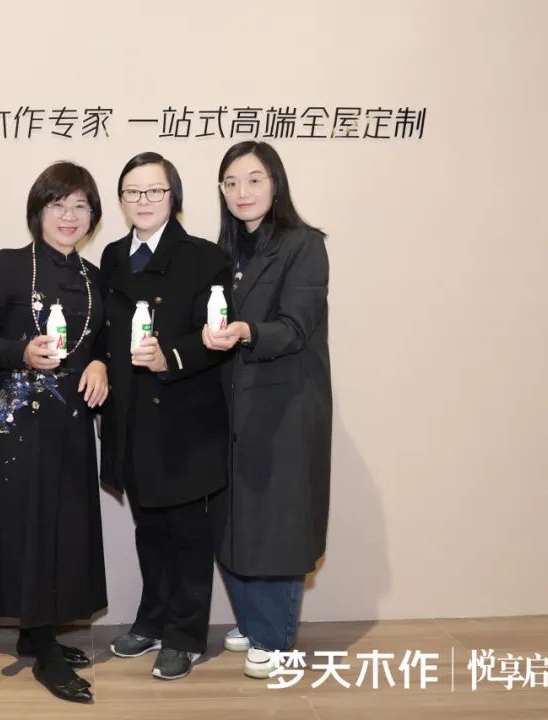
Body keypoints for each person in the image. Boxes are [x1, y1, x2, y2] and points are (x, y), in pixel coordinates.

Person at [0, 161, 109, 704]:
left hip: (72, 423)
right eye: (57, 204)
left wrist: (100, 364)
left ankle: (35, 632)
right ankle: (44, 650)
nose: (69, 216)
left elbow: (101, 342)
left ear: (93, 215)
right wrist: (20, 352)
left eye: (80, 206)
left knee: (64, 526)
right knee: (29, 527)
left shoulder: (94, 276)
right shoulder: (8, 264)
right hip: (19, 423)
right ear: (37, 211)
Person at [98, 152, 230, 681]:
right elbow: (104, 330)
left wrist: (169, 357)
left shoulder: (204, 258)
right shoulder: (112, 255)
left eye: (154, 190)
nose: (143, 201)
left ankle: (185, 635)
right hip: (129, 415)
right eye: (132, 192)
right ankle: (152, 620)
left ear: (174, 196)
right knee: (148, 529)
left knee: (188, 534)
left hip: (184, 418)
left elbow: (216, 337)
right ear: (121, 200)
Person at [202, 140, 332, 678]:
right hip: (231, 403)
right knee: (234, 516)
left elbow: (296, 326)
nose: (242, 192)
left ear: (275, 183)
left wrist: (247, 331)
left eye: (254, 179)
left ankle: (276, 640)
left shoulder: (304, 244)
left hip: (283, 406)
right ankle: (256, 621)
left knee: (276, 519)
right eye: (231, 182)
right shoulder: (226, 252)